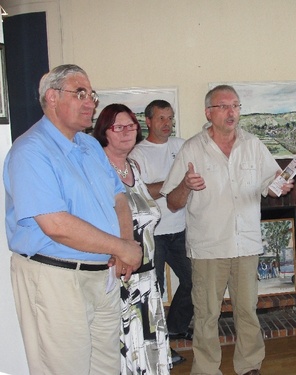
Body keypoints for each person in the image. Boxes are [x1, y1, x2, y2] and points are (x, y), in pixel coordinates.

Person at [3, 64, 143, 374]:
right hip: (56, 277)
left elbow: (118, 198)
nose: (90, 102)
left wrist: (125, 243)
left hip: (100, 275)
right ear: (51, 97)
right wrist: (121, 247)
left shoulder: (90, 145)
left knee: (107, 367)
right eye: (80, 93)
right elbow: (55, 225)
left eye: (91, 94)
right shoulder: (31, 151)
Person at [161, 85, 295, 375]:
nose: (231, 111)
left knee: (247, 311)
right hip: (209, 247)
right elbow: (172, 202)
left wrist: (278, 188)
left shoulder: (253, 144)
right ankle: (207, 369)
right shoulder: (192, 148)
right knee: (207, 314)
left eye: (236, 105)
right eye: (224, 106)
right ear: (209, 112)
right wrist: (185, 185)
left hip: (246, 245)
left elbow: (270, 185)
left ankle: (249, 365)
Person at [93, 103, 172, 374]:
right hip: (120, 280)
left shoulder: (134, 168)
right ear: (104, 131)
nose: (126, 131)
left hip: (148, 279)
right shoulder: (97, 170)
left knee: (148, 351)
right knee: (123, 353)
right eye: (118, 127)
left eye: (131, 126)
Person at [129, 100, 194, 343]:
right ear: (148, 121)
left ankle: (175, 328)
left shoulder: (182, 145)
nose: (167, 124)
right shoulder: (137, 154)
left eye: (170, 118)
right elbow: (140, 192)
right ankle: (153, 342)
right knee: (154, 290)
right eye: (161, 119)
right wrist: (176, 183)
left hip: (182, 229)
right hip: (153, 234)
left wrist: (169, 185)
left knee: (195, 282)